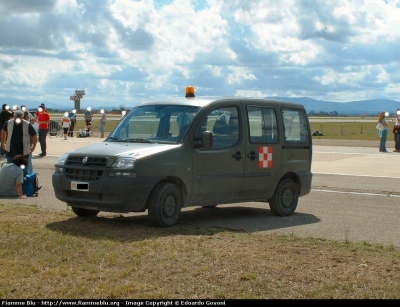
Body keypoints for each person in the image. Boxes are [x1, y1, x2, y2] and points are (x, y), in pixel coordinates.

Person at [1, 110, 37, 175]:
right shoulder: (8, 123)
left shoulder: (27, 124)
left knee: (24, 171)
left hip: (23, 153)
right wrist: (3, 143)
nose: (17, 120)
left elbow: (34, 135)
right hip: (11, 151)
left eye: (19, 118)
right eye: (15, 118)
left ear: (22, 118)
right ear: (13, 117)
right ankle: (12, 184)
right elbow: (3, 132)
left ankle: (24, 183)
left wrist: (33, 146)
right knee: (10, 170)